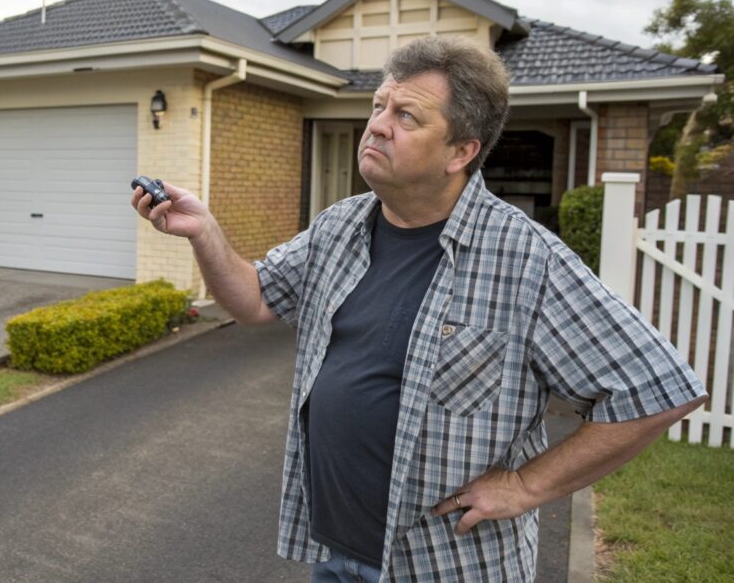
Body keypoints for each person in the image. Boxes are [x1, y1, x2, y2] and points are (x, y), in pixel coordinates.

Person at [131, 36, 707, 582]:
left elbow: (657, 389)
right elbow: (257, 298)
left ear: (462, 151)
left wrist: (527, 487)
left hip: (445, 565)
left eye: (406, 117)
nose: (378, 124)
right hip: (336, 552)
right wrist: (204, 233)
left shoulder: (525, 258)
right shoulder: (341, 225)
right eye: (380, 105)